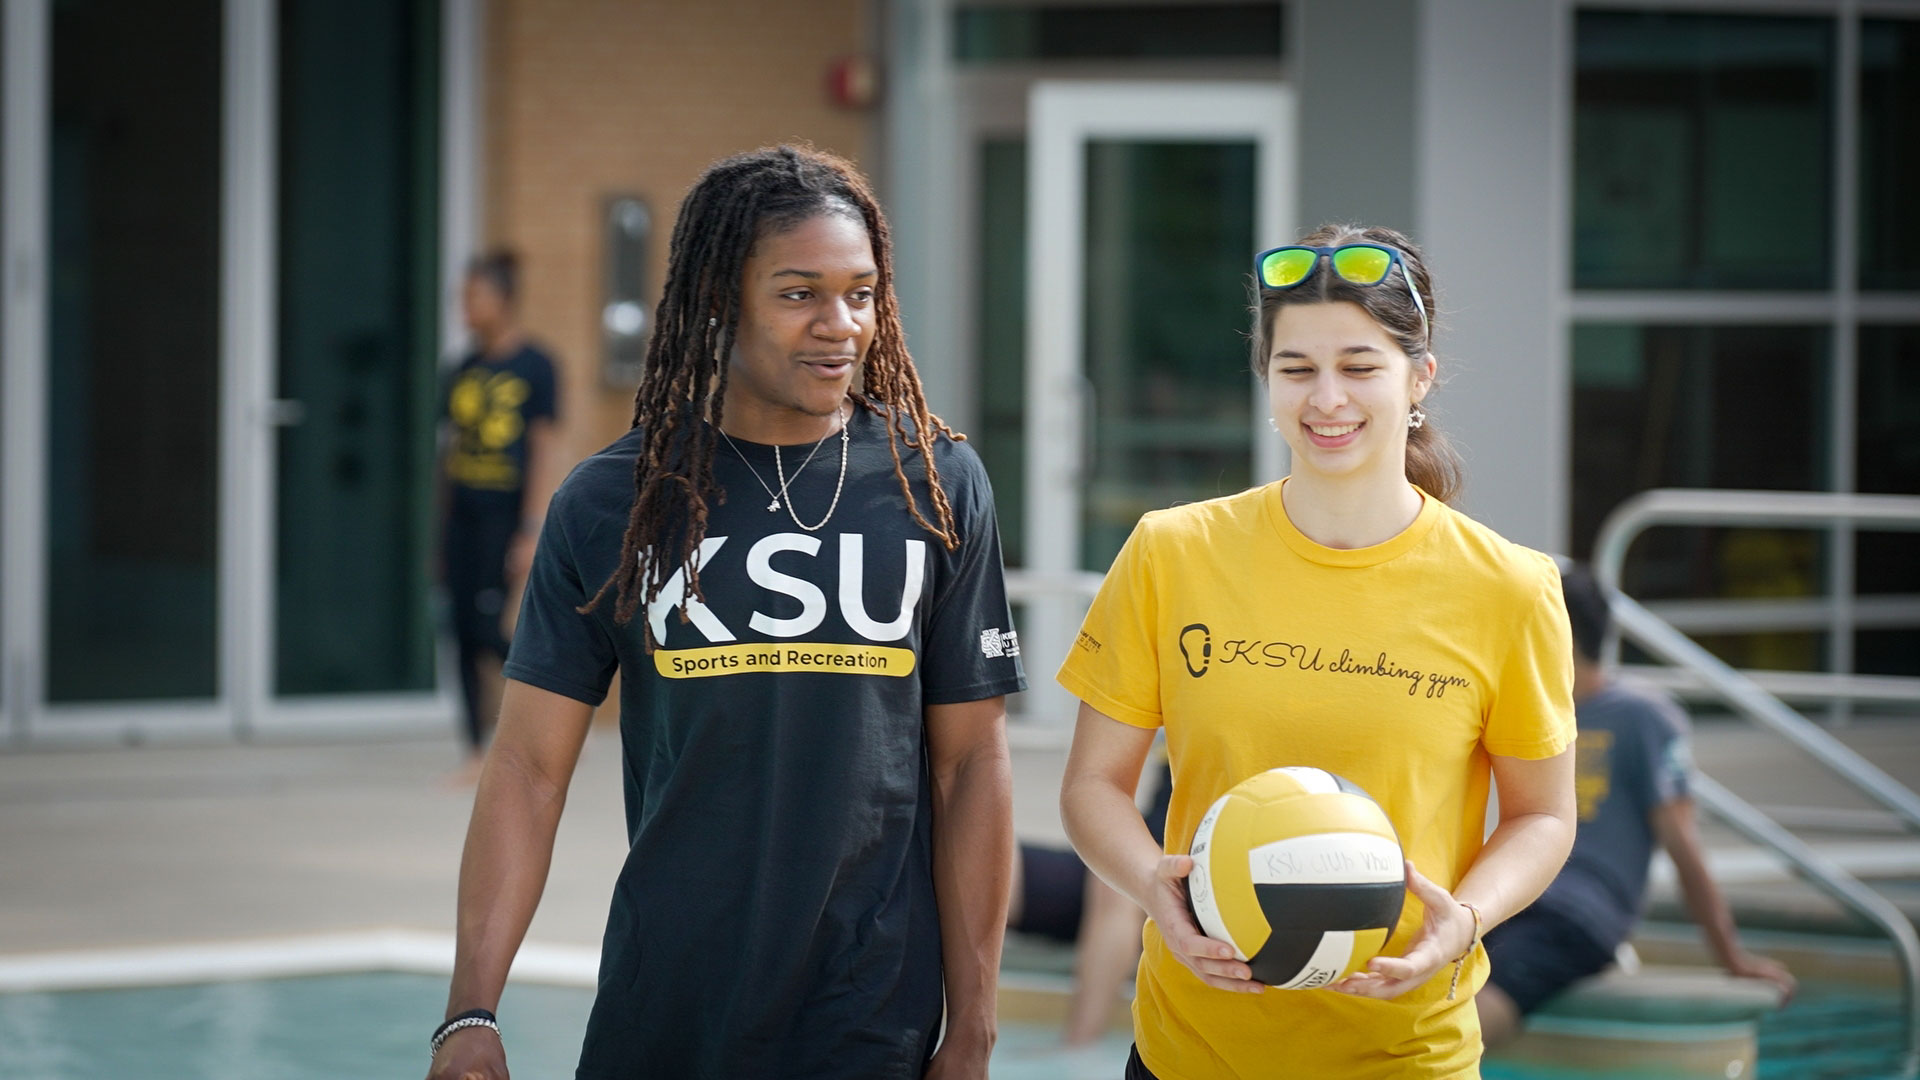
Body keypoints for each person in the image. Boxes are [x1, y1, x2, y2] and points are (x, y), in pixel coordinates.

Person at [425, 145, 1026, 1080]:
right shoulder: (613, 502)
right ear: (719, 298)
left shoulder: (936, 487)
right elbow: (528, 770)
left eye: (861, 293)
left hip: (869, 1018)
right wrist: (471, 1009)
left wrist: (974, 1026)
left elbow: (971, 769)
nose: (841, 326)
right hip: (665, 1010)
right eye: (799, 294)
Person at [1056, 224, 1580, 1079]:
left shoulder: (1510, 588)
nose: (1326, 398)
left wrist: (1469, 917)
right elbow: (1092, 786)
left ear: (1420, 379)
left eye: (1360, 366)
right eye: (1296, 368)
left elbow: (1542, 815)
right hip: (1192, 1052)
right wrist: (1153, 882)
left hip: (1406, 1054)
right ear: (1266, 379)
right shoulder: (1170, 553)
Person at [1475, 562, 1796, 1047]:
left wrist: (1731, 957)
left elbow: (1683, 844)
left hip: (1576, 915)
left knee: (1469, 1015)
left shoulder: (1641, 717)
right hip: (1512, 898)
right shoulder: (1528, 712)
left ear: (1553, 629)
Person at [438, 250, 561, 774]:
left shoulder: (536, 365)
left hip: (505, 516)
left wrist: (531, 529)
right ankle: (472, 751)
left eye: (474, 296)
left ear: (504, 301)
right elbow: (448, 450)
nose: (465, 307)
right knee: (458, 630)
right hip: (461, 516)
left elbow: (544, 447)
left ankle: (553, 699)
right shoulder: (462, 366)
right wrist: (437, 531)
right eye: (461, 297)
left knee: (488, 628)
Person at [1007, 759, 1172, 1047]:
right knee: (987, 863)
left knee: (1116, 886)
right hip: (1135, 857)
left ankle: (1078, 1044)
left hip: (1185, 885)